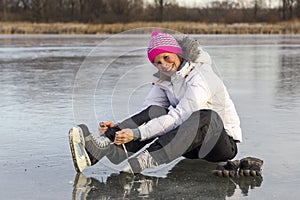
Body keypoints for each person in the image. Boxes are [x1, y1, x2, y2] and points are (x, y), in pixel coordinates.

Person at [69, 30, 263, 177]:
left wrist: (136, 133)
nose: (163, 65)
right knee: (155, 110)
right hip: (190, 147)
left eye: (166, 57)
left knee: (205, 116)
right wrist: (120, 129)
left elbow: (180, 117)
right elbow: (149, 112)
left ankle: (143, 161)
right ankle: (100, 150)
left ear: (178, 54)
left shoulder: (203, 76)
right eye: (157, 62)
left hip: (219, 145)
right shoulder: (165, 79)